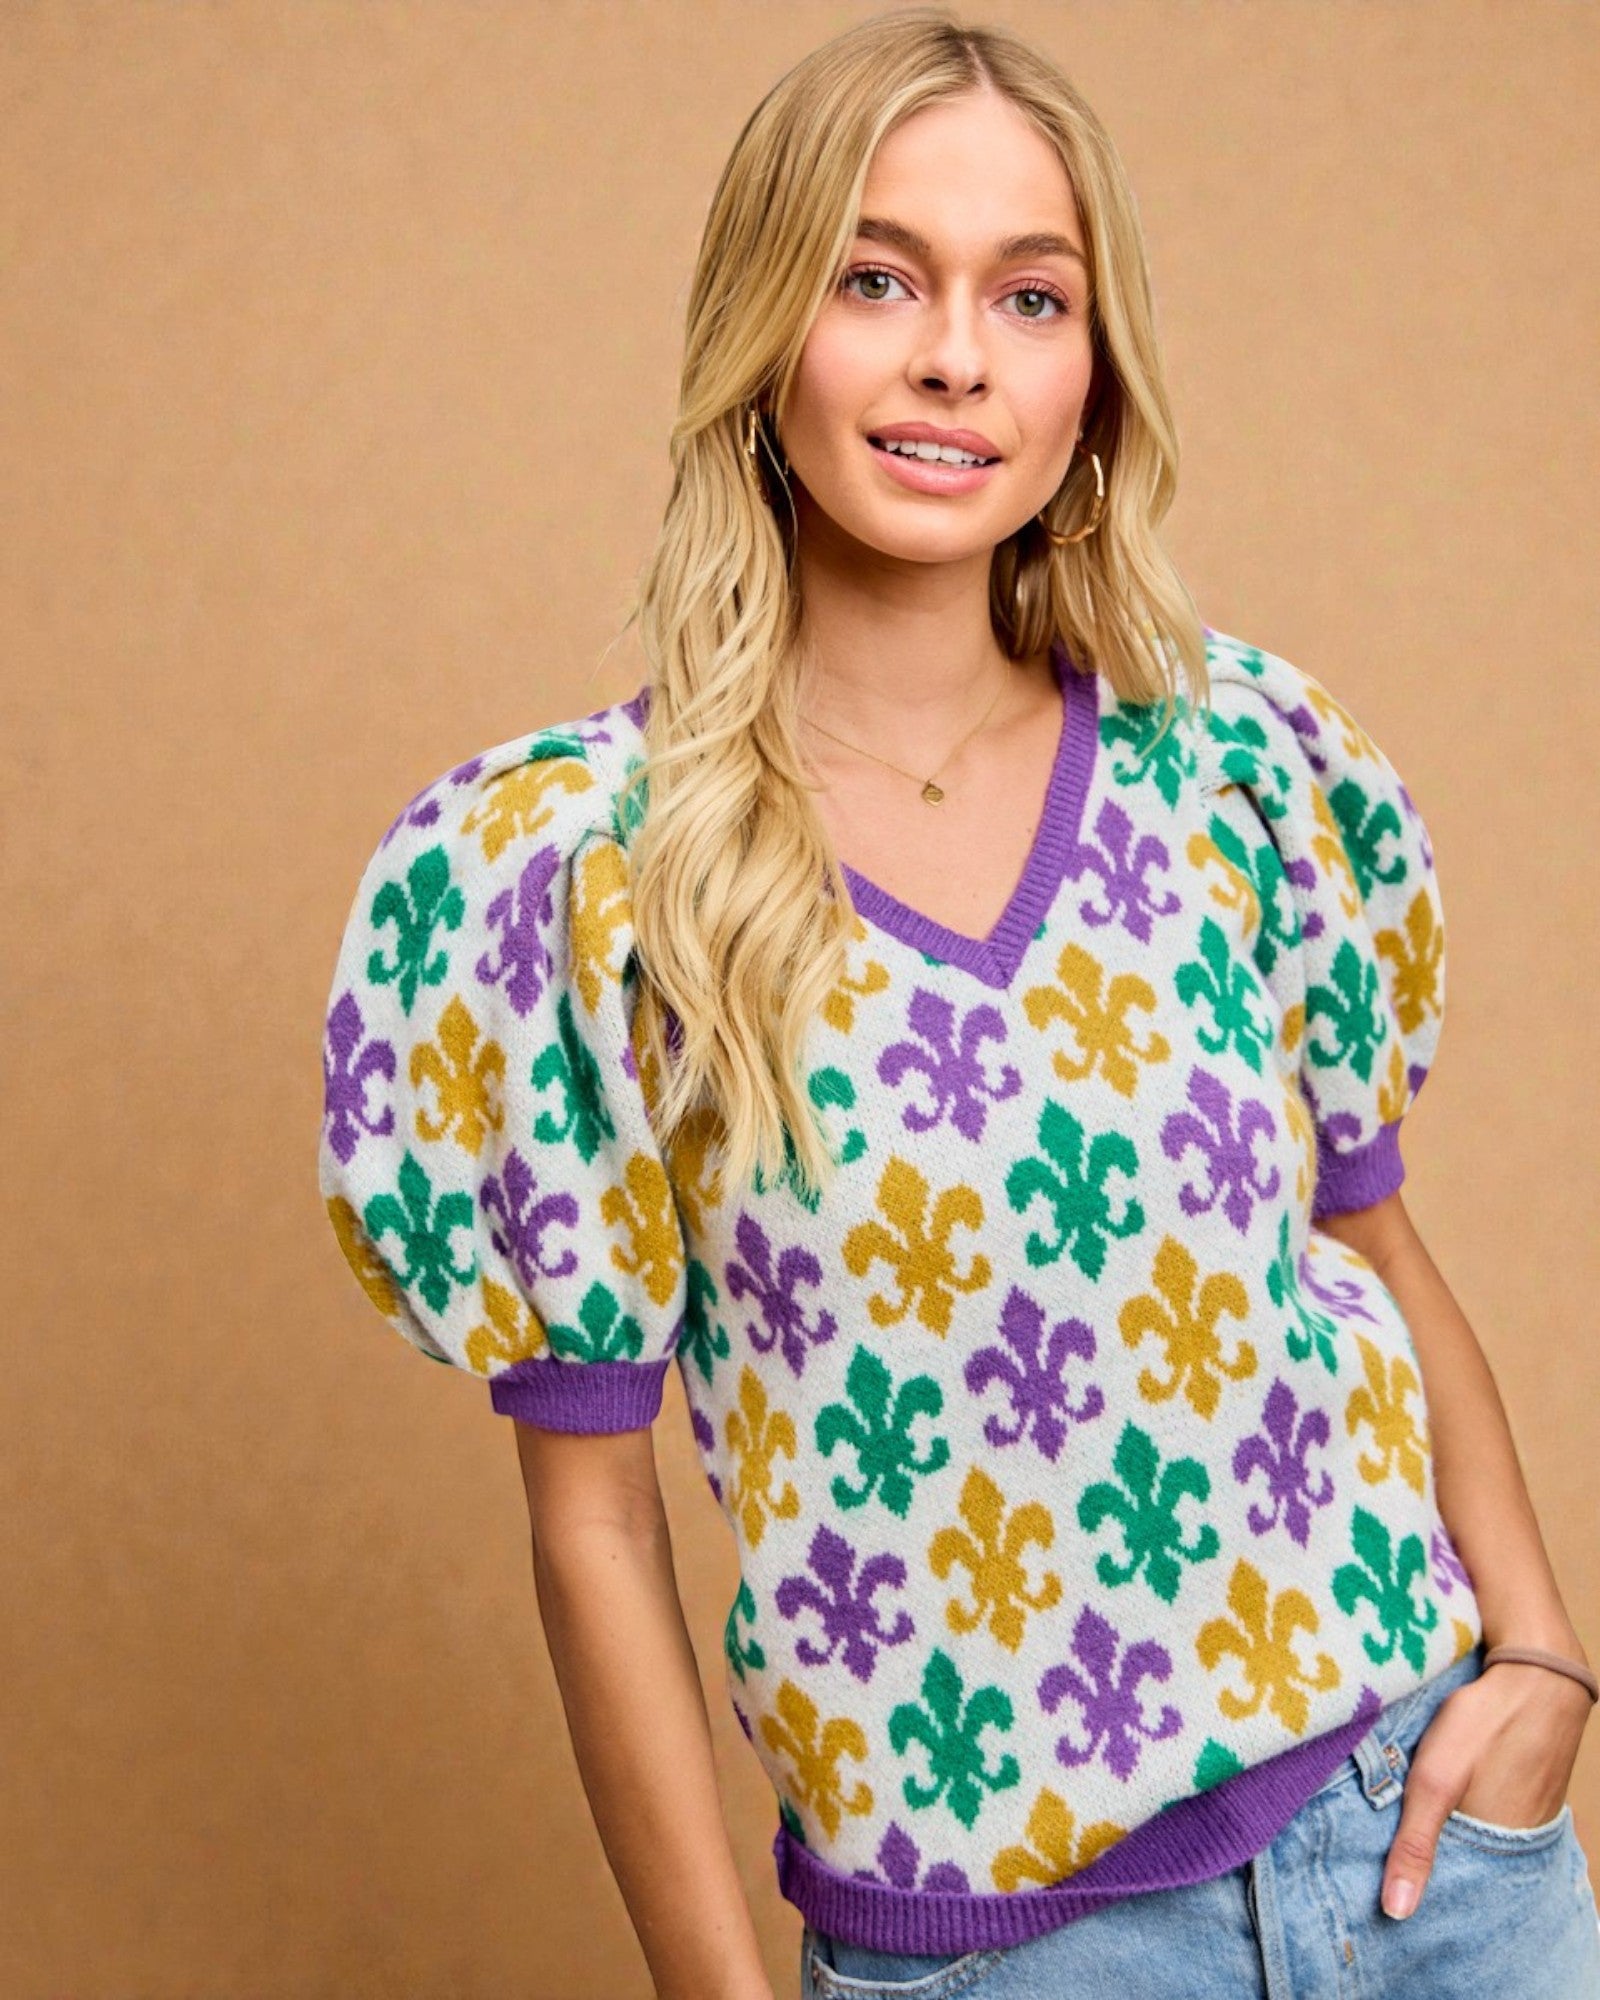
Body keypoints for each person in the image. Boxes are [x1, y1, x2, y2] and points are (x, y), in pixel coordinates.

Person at [315, 9, 1599, 1996]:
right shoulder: (595, 878)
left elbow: (1368, 1240)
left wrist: (1537, 1656)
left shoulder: (1233, 771)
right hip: (1005, 1955)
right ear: (765, 331)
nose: (953, 355)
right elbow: (596, 1522)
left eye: (1029, 294)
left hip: (1432, 1861)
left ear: (1091, 373)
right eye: (874, 277)